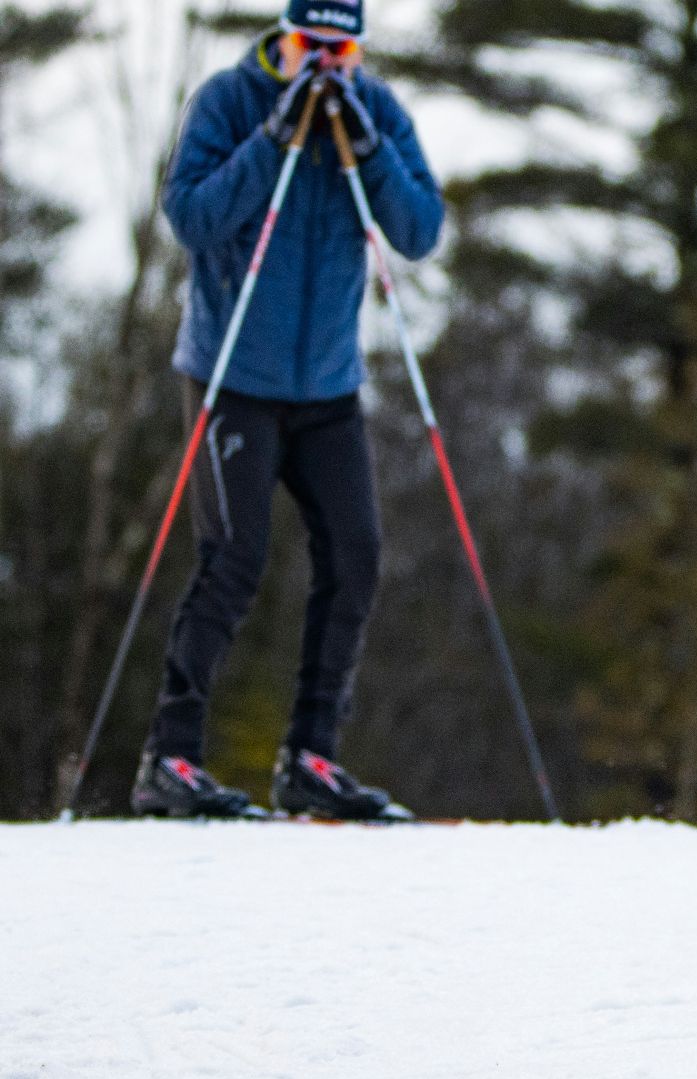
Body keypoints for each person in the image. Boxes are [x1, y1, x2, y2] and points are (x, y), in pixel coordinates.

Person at [131, 0, 442, 820]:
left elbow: (419, 229)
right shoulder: (230, 101)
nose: (327, 66)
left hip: (328, 386)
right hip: (234, 373)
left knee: (356, 555)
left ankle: (311, 758)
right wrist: (272, 140)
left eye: (344, 51)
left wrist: (369, 154)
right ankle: (170, 757)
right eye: (314, 47)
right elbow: (192, 218)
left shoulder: (374, 111)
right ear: (286, 38)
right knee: (232, 560)